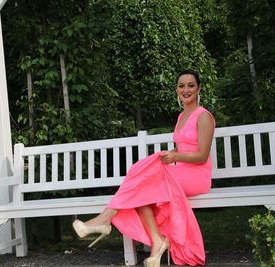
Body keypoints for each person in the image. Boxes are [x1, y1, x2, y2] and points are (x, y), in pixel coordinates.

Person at [72, 70, 215, 267]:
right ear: (176, 90)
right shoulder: (182, 115)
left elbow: (201, 156)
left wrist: (174, 156)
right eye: (181, 86)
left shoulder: (204, 116)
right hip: (180, 170)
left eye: (191, 85)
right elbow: (183, 146)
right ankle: (157, 242)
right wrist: (170, 153)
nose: (186, 89)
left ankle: (105, 219)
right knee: (142, 182)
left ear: (199, 88)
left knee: (143, 180)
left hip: (196, 175)